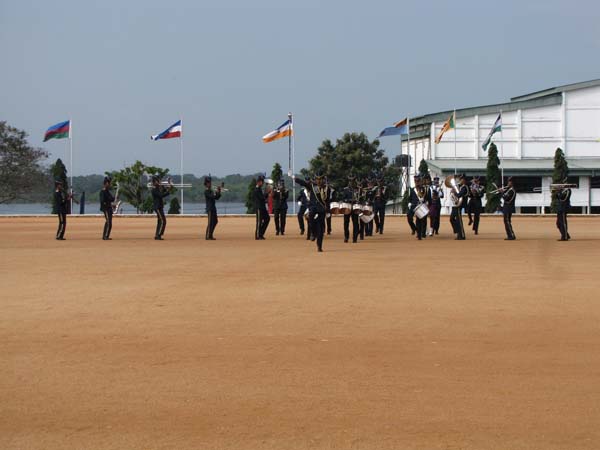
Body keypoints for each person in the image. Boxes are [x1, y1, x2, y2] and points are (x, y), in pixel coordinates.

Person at [294, 174, 328, 252]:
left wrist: (328, 210)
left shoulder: (326, 188)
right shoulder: (312, 186)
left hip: (321, 210)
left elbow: (328, 200)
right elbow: (304, 183)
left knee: (321, 230)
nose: (318, 181)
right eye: (317, 179)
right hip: (313, 208)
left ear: (323, 179)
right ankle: (313, 233)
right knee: (311, 221)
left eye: (320, 179)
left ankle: (319, 246)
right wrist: (296, 179)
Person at [409, 175, 431, 240]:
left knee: (423, 220)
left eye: (418, 181)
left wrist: (426, 202)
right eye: (415, 181)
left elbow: (428, 198)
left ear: (420, 181)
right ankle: (419, 234)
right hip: (415, 206)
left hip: (422, 206)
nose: (417, 182)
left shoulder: (424, 189)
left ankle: (423, 234)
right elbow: (410, 198)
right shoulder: (412, 189)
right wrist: (409, 203)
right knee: (417, 221)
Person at [450, 174, 468, 240]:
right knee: (451, 219)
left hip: (460, 205)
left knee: (459, 221)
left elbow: (459, 195)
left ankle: (462, 235)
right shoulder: (460, 187)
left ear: (464, 180)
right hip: (456, 205)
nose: (460, 180)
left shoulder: (464, 187)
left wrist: (454, 192)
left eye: (462, 179)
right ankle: (457, 232)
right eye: (460, 179)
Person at [342, 177, 360, 243]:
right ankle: (346, 236)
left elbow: (360, 198)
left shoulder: (357, 189)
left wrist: (357, 201)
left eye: (353, 181)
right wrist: (348, 200)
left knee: (355, 223)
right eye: (350, 181)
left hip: (355, 208)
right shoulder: (345, 189)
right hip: (347, 207)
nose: (351, 182)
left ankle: (354, 238)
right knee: (346, 223)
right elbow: (343, 199)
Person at [151, 176, 170, 240]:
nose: (159, 181)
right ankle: (158, 235)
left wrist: (168, 187)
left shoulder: (159, 188)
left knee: (161, 221)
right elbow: (161, 195)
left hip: (160, 207)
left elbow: (165, 190)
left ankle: (158, 235)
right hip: (157, 207)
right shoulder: (154, 189)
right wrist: (167, 191)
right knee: (162, 220)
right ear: (155, 182)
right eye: (157, 181)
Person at [254, 175, 270, 240]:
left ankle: (261, 233)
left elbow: (263, 198)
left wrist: (267, 193)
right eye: (261, 182)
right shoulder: (256, 189)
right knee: (259, 222)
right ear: (258, 182)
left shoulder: (259, 189)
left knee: (267, 219)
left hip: (262, 207)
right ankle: (257, 235)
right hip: (259, 208)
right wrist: (267, 193)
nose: (262, 183)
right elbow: (262, 198)